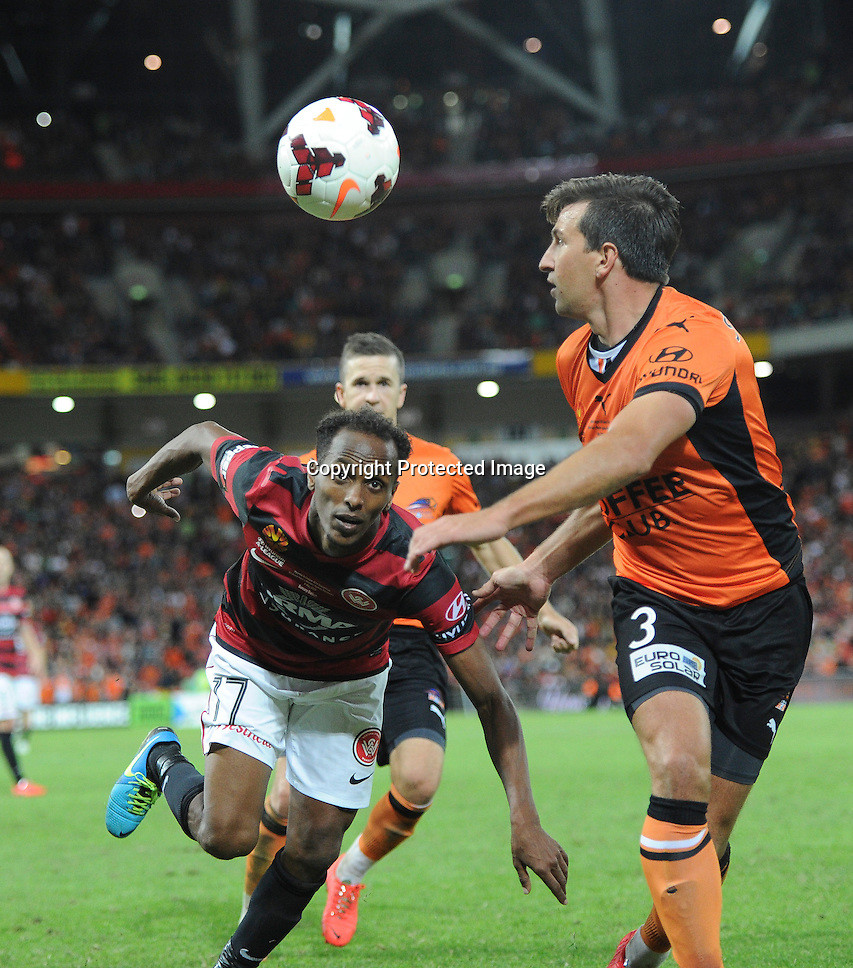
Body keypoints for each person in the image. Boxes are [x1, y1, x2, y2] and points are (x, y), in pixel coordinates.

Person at [406, 173, 812, 968]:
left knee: (708, 836)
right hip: (658, 593)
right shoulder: (573, 360)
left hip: (765, 604)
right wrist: (544, 565)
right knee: (676, 766)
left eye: (558, 240)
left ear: (605, 257)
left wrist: (490, 519)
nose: (541, 259)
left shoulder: (700, 337)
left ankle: (642, 950)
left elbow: (627, 451)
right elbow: (617, 485)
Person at [105, 409, 568, 968]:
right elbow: (203, 434)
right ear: (314, 469)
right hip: (251, 659)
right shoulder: (266, 484)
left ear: (393, 489)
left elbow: (492, 700)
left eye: (376, 483)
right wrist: (142, 479)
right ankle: (162, 757)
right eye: (342, 474)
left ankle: (236, 962)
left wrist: (525, 817)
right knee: (225, 837)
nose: (354, 496)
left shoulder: (413, 562)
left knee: (314, 850)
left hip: (345, 689)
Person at [240, 332, 578, 945]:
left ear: (402, 393)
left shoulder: (439, 464)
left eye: (382, 383)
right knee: (287, 802)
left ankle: (351, 873)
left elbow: (481, 537)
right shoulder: (325, 467)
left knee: (420, 777)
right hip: (333, 643)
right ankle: (254, 906)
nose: (371, 394)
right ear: (342, 394)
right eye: (360, 383)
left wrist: (543, 601)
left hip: (412, 641)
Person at [0, 546, 47, 797]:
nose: (2, 566)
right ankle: (20, 782)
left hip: (10, 672)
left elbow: (26, 630)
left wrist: (37, 655)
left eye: (5, 561)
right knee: (6, 721)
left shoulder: (16, 598)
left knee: (9, 720)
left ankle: (20, 781)